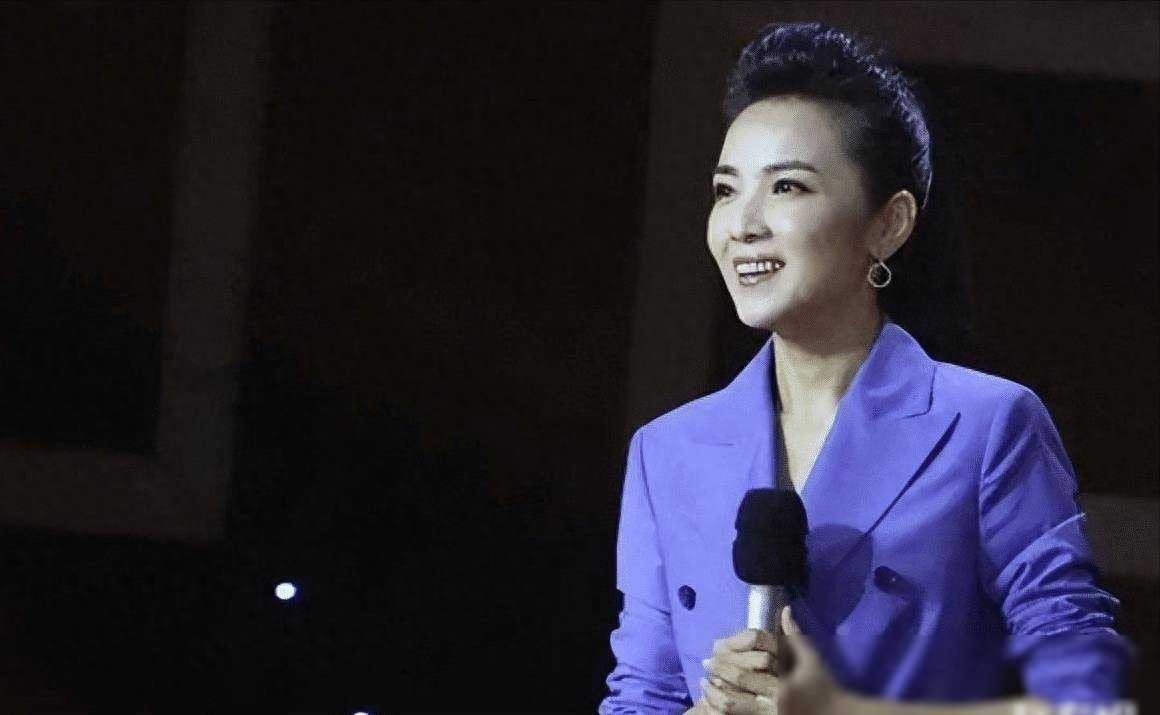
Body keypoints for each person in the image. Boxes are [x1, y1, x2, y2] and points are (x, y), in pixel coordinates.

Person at [598, 21, 1136, 715]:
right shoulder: (667, 452)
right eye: (726, 190)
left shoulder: (987, 428)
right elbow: (640, 695)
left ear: (889, 224)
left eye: (787, 187)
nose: (743, 224)